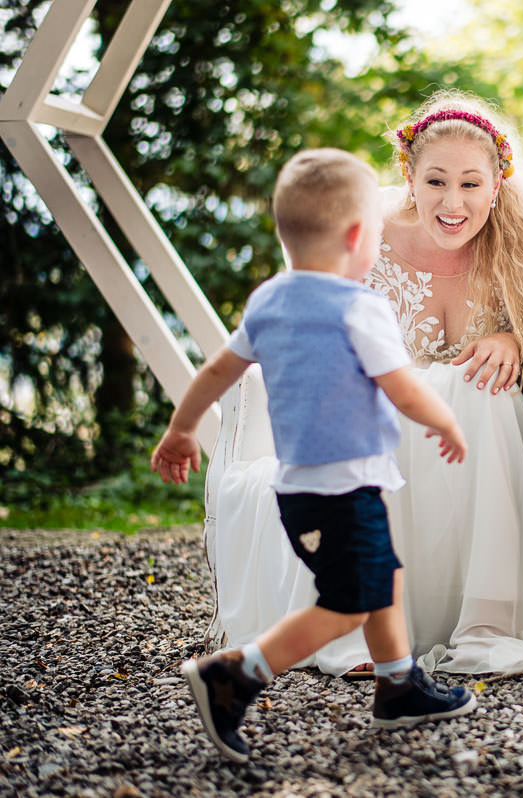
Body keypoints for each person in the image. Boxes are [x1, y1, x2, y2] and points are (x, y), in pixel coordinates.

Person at [208, 91, 523, 679]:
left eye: (470, 183)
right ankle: (366, 630)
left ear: (497, 183)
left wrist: (514, 337)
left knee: (483, 393)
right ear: (409, 176)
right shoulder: (364, 238)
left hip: (480, 426)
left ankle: (489, 621)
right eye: (435, 181)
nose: (452, 202)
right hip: (380, 413)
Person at [151, 148, 476, 763]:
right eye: (377, 232)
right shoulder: (359, 306)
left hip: (299, 490)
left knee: (382, 576)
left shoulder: (269, 300)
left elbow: (218, 370)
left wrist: (182, 429)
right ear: (356, 237)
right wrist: (446, 420)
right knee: (347, 603)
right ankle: (235, 674)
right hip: (345, 488)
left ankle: (399, 685)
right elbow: (401, 386)